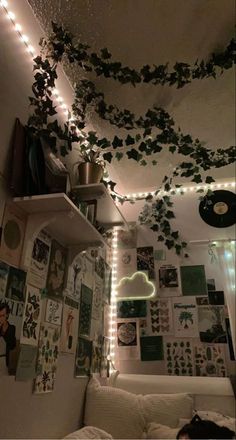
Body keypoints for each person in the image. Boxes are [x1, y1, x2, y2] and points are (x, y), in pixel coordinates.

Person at [0, 302, 16, 370]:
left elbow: (12, 346)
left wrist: (3, 329)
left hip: (4, 361)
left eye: (2, 315)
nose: (0, 318)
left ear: (7, 315)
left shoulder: (12, 328)